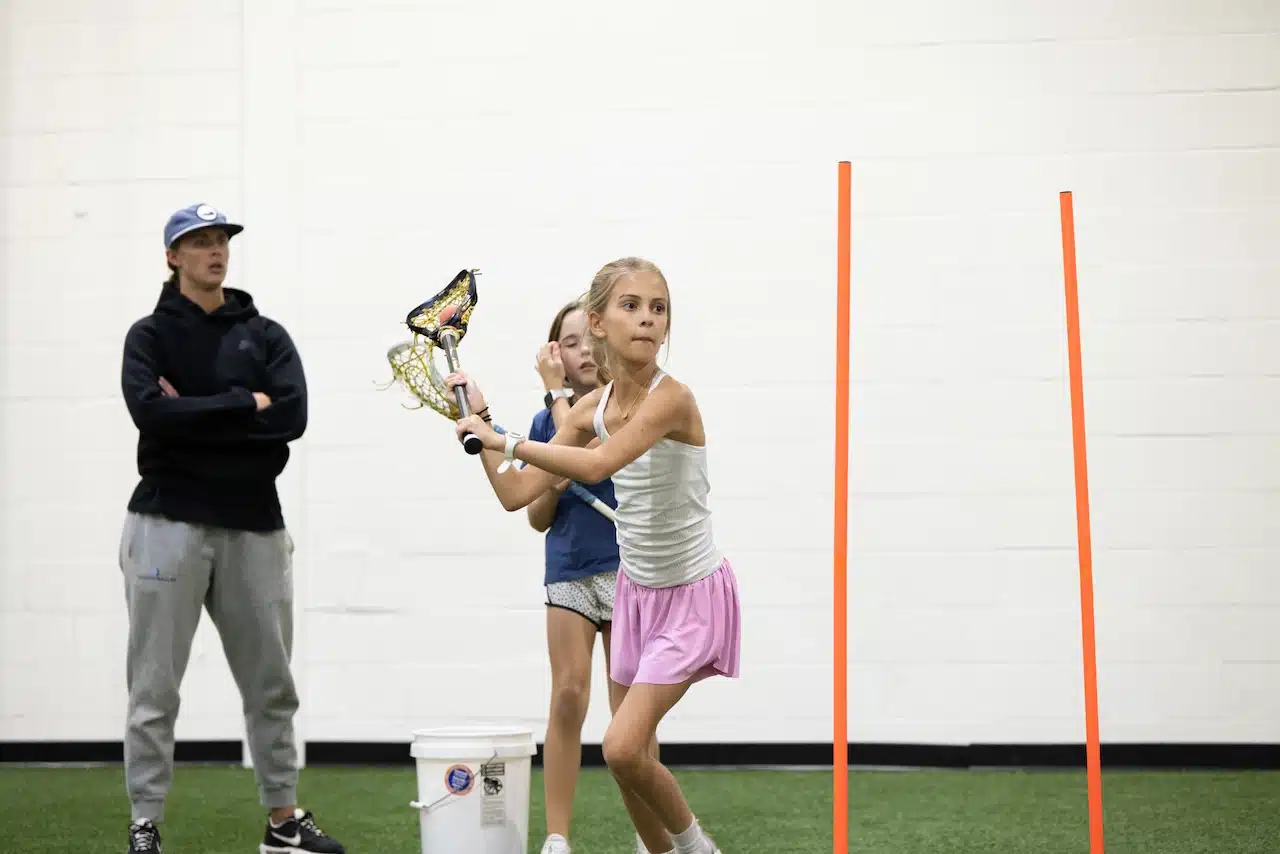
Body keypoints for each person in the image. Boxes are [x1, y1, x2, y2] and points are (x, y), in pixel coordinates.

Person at [445, 257, 739, 854]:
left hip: (691, 597)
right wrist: (476, 422)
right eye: (630, 306)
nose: (647, 319)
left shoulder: (672, 400)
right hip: (638, 594)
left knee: (623, 746)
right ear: (601, 323)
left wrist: (505, 438)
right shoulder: (589, 408)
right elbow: (518, 493)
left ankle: (694, 849)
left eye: (658, 309)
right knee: (628, 761)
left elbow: (601, 464)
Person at [117, 203, 345, 854]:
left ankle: (283, 823)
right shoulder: (149, 336)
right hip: (165, 523)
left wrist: (191, 410)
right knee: (154, 688)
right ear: (172, 256)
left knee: (272, 685)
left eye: (221, 240)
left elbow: (292, 418)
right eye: (200, 242)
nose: (215, 251)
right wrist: (246, 404)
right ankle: (144, 826)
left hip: (254, 526)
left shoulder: (266, 335)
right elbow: (150, 415)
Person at [526, 300, 654, 854]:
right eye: (567, 342)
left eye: (587, 339)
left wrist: (557, 399)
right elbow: (535, 516)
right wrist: (549, 485)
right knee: (567, 696)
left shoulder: (625, 409)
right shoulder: (540, 423)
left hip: (627, 572)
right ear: (554, 353)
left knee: (631, 717)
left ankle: (650, 834)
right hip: (570, 574)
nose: (581, 352)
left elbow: (595, 454)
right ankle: (557, 837)